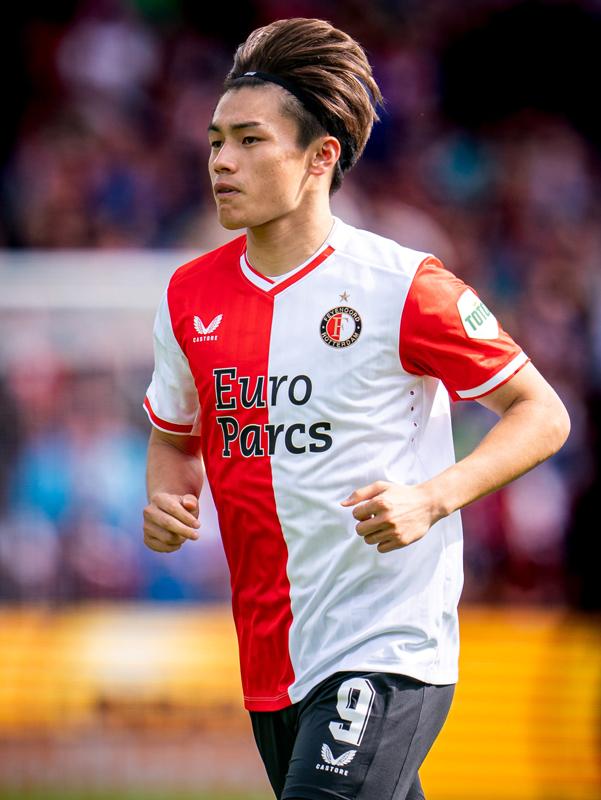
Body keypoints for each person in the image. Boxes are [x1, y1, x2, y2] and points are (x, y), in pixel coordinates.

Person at [142, 17, 570, 800]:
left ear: (320, 157)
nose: (221, 162)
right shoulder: (187, 296)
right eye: (215, 142)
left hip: (384, 641)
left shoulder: (403, 285)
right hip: (272, 652)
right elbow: (174, 436)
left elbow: (540, 414)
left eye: (249, 141)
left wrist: (430, 499)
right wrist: (166, 494)